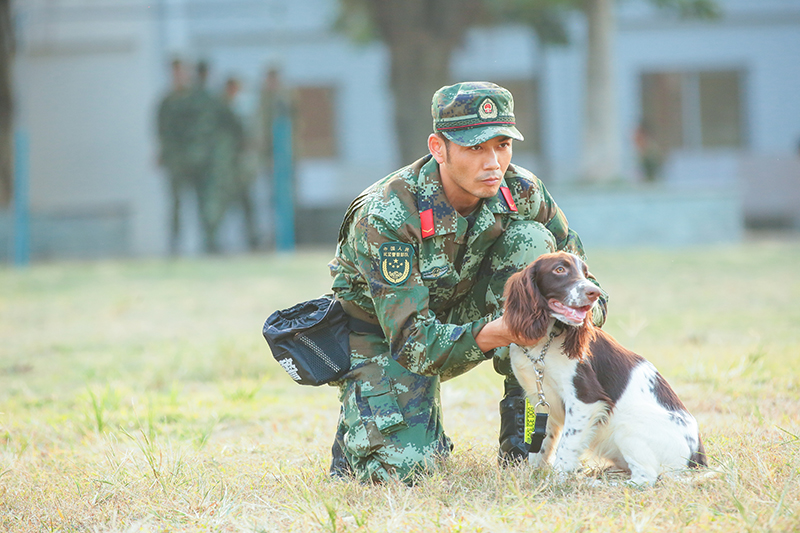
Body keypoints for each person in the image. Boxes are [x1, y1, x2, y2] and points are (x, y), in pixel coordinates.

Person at [327, 81, 608, 484]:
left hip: (469, 313)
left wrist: (574, 315)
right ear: (438, 148)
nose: (493, 162)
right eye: (476, 148)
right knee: (408, 474)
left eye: (502, 145)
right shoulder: (388, 213)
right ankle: (365, 426)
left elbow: (590, 289)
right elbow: (412, 342)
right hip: (388, 337)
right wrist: (501, 331)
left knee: (532, 243)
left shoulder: (522, 190)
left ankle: (525, 440)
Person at [156, 58, 193, 255]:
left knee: (206, 205)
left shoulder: (196, 98)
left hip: (198, 161)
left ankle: (210, 244)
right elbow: (161, 131)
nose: (179, 76)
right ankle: (175, 247)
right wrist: (161, 153)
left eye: (181, 71)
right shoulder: (166, 102)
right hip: (176, 161)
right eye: (175, 72)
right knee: (175, 205)